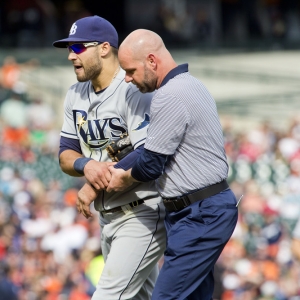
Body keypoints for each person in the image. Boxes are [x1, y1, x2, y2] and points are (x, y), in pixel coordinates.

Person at [106, 29, 239, 300]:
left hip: (200, 212)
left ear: (152, 61)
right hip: (198, 210)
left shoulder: (169, 94)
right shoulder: (192, 84)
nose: (128, 79)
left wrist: (123, 177)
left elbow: (151, 165)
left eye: (130, 70)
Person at [52, 16, 166, 300]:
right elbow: (65, 154)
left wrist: (93, 185)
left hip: (142, 211)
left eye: (78, 48)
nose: (70, 55)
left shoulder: (133, 88)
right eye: (69, 48)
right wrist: (85, 164)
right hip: (108, 217)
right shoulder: (75, 94)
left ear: (104, 48)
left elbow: (147, 151)